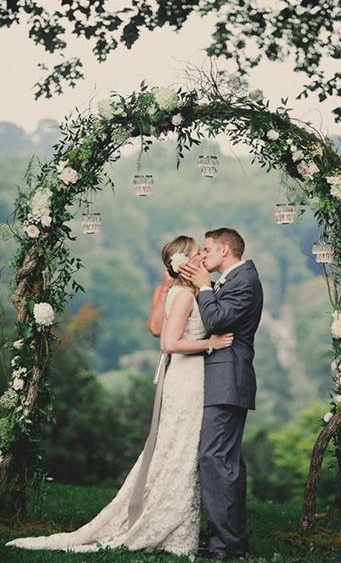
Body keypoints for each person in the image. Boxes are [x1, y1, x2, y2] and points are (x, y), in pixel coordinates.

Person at [6, 235, 233, 556]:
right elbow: (168, 343)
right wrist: (212, 343)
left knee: (179, 451)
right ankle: (167, 525)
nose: (202, 259)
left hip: (191, 377)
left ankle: (178, 526)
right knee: (179, 450)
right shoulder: (182, 296)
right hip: (186, 378)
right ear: (183, 263)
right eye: (197, 254)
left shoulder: (187, 292)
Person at [180, 228, 263, 560]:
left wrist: (202, 286)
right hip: (223, 380)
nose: (203, 254)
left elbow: (215, 320)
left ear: (226, 250)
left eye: (209, 248)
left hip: (228, 380)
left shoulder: (244, 280)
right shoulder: (234, 280)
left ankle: (226, 547)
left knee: (215, 459)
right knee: (225, 463)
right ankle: (229, 541)